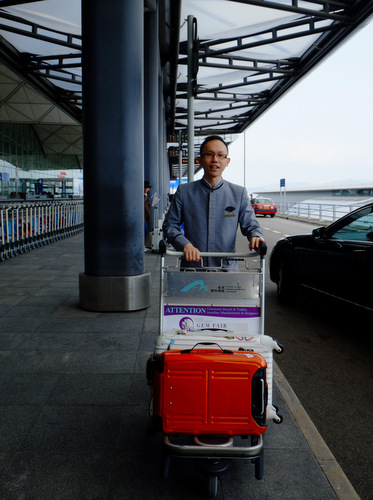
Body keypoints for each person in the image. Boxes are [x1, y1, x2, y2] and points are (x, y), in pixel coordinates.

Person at [162, 135, 265, 267]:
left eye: (220, 155)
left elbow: (251, 225)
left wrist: (256, 236)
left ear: (227, 161)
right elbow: (170, 225)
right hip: (193, 270)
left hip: (226, 270)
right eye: (209, 154)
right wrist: (185, 245)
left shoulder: (239, 193)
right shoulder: (184, 192)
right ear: (199, 160)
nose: (215, 160)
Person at [144, 180, 152, 250]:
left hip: (144, 217)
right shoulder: (143, 195)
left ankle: (143, 245)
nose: (148, 189)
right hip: (143, 217)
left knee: (145, 231)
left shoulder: (145, 196)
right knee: (145, 231)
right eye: (148, 188)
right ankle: (142, 245)